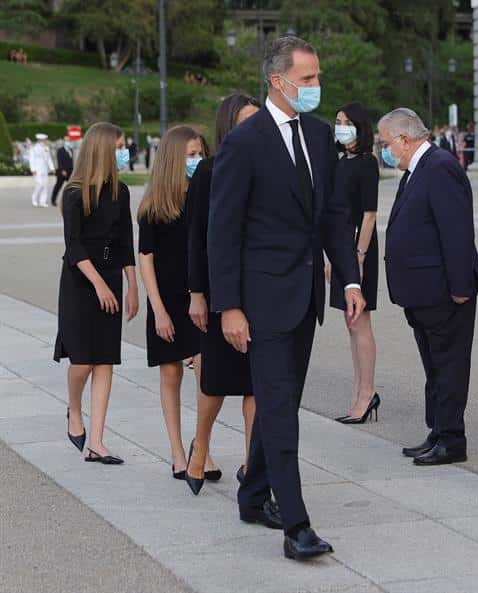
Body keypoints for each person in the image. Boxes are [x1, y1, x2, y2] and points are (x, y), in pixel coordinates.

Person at [207, 36, 365, 560]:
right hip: (261, 301)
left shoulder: (320, 137)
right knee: (280, 410)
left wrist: (350, 281)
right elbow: (222, 230)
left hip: (306, 298)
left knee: (281, 403)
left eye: (318, 76)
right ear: (279, 81)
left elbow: (334, 218)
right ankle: (296, 525)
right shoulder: (244, 142)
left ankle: (253, 494)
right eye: (309, 79)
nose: (317, 87)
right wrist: (228, 304)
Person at [377, 108, 478, 466]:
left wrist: (459, 287)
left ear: (405, 140)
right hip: (422, 292)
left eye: (385, 143)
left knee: (449, 365)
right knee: (434, 366)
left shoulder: (440, 167)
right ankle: (438, 430)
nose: (384, 150)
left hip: (444, 291)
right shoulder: (416, 170)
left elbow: (456, 232)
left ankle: (452, 439)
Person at [184, 93, 261, 496]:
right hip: (218, 291)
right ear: (228, 126)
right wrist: (197, 293)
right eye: (245, 121)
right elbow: (196, 237)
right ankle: (200, 450)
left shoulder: (267, 168)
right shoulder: (209, 172)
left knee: (254, 385)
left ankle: (251, 463)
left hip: (259, 290)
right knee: (214, 383)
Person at [54, 122, 139, 464]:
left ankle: (98, 442)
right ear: (103, 149)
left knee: (105, 359)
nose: (124, 152)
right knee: (83, 360)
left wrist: (133, 286)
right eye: (119, 146)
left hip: (111, 276)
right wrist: (99, 284)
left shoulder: (121, 192)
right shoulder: (74, 194)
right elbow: (73, 247)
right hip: (80, 281)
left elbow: (124, 244)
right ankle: (74, 409)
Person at [137, 125, 207, 482]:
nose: (197, 161)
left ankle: (202, 448)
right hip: (166, 300)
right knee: (171, 373)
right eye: (190, 155)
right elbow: (145, 258)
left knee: (205, 374)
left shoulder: (206, 197)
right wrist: (159, 310)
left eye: (200, 154)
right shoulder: (154, 207)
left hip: (200, 297)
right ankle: (178, 452)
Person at [326, 102, 381, 424]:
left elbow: (369, 214)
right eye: (338, 120)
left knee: (360, 321)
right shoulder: (338, 162)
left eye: (347, 122)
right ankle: (360, 391)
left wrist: (357, 257)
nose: (341, 126)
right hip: (339, 247)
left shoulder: (366, 164)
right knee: (350, 322)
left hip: (359, 248)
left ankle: (367, 393)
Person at [29, 133, 55, 208]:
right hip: (37, 169)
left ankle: (42, 202)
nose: (44, 141)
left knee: (45, 185)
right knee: (40, 184)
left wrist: (52, 168)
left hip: (45, 169)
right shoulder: (33, 148)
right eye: (42, 140)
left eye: (44, 140)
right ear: (39, 140)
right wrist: (33, 169)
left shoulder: (46, 148)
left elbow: (49, 159)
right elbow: (31, 159)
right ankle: (34, 198)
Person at [51, 134, 76, 207]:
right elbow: (59, 161)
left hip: (70, 171)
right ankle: (53, 200)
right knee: (58, 186)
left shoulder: (71, 150)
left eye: (69, 140)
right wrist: (62, 170)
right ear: (64, 141)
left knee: (72, 186)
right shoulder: (60, 150)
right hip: (62, 172)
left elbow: (71, 161)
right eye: (66, 140)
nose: (68, 142)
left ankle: (71, 201)